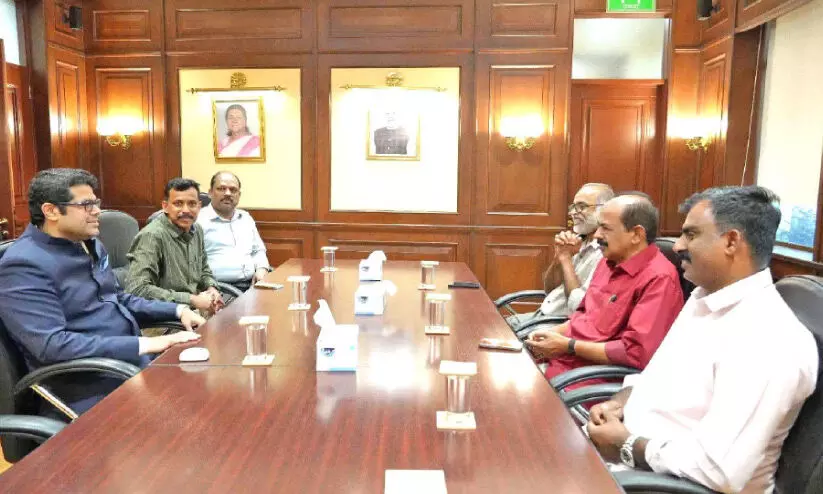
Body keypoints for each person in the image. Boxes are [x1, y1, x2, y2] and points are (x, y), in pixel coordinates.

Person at [585, 186, 818, 493]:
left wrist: (626, 445)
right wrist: (619, 403)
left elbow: (718, 471)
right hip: (629, 465)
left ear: (731, 241)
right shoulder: (703, 298)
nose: (678, 245)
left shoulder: (770, 339)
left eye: (691, 235)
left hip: (663, 485)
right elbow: (658, 377)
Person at [0, 169, 204, 416]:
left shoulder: (89, 243)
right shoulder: (23, 264)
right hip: (87, 386)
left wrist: (177, 310)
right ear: (51, 211)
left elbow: (117, 299)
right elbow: (51, 346)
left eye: (95, 203)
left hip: (128, 366)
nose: (97, 211)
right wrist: (146, 343)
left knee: (206, 391)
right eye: (86, 205)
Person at [525, 193, 683, 383]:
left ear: (636, 234)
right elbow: (584, 317)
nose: (597, 235)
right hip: (561, 362)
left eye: (605, 228)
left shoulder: (659, 278)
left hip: (589, 379)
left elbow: (635, 353)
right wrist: (553, 334)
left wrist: (568, 346)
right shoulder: (608, 262)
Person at [507, 183, 615, 337]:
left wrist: (566, 260)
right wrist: (559, 256)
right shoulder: (577, 241)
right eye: (573, 207)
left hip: (561, 324)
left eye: (582, 207)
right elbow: (549, 288)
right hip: (542, 315)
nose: (573, 213)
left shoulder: (606, 252)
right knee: (491, 325)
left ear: (604, 210)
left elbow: (578, 306)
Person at [126, 178, 223, 314]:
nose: (186, 210)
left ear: (199, 206)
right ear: (165, 206)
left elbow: (204, 270)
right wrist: (191, 299)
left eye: (192, 204)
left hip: (195, 310)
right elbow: (137, 289)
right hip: (166, 316)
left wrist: (211, 288)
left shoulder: (197, 230)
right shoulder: (152, 236)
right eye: (178, 204)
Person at [197, 171, 271, 292]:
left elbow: (258, 250)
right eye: (221, 188)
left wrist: (262, 268)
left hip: (253, 285)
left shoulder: (245, 218)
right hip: (219, 289)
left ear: (239, 195)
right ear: (210, 192)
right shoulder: (198, 221)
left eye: (233, 190)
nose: (228, 193)